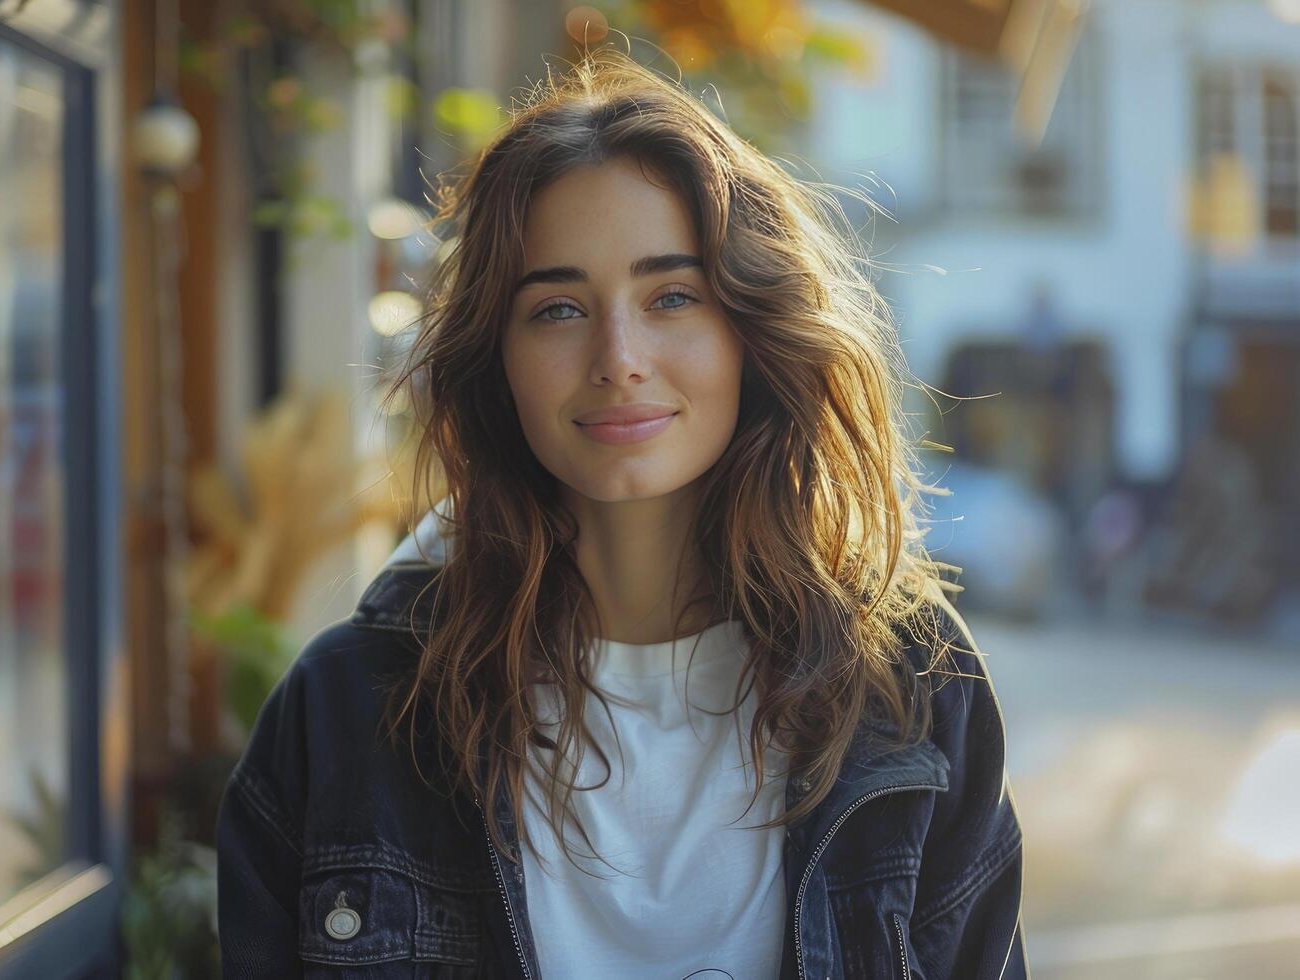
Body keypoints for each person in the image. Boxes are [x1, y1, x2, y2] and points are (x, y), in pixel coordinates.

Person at [217, 47, 1026, 979]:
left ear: (752, 333)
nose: (619, 356)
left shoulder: (915, 688)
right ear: (497, 361)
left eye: (672, 296)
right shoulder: (345, 713)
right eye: (557, 309)